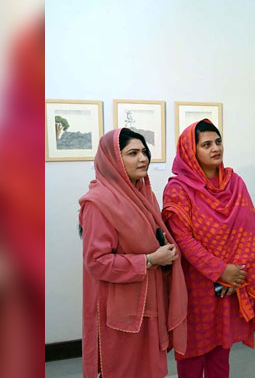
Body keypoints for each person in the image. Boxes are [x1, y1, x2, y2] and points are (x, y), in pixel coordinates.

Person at [162, 119, 255, 378]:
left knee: (222, 353)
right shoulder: (178, 190)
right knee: (191, 354)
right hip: (194, 284)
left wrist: (236, 275)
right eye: (206, 144)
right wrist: (221, 270)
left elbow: (249, 233)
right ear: (191, 151)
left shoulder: (235, 184)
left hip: (230, 285)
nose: (216, 148)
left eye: (218, 141)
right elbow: (183, 240)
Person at [78, 128, 188, 378]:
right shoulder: (98, 203)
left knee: (148, 369)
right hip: (120, 309)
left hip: (149, 299)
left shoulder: (143, 194)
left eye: (144, 152)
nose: (143, 159)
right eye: (133, 153)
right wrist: (150, 260)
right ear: (113, 160)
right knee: (125, 370)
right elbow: (97, 263)